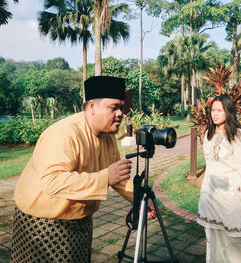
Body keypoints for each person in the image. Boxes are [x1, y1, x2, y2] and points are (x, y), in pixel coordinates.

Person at [11, 76, 156, 263]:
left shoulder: (108, 137)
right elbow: (53, 182)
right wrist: (105, 178)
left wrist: (139, 199)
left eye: (121, 107)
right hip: (43, 224)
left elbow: (117, 178)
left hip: (80, 223)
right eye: (114, 107)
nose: (120, 113)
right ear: (92, 107)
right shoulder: (64, 134)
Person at [197, 95, 241, 263]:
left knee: (236, 237)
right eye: (213, 110)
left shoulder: (237, 135)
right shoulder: (208, 133)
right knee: (213, 236)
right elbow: (210, 165)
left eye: (219, 110)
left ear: (228, 111)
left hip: (230, 195)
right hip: (210, 193)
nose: (215, 114)